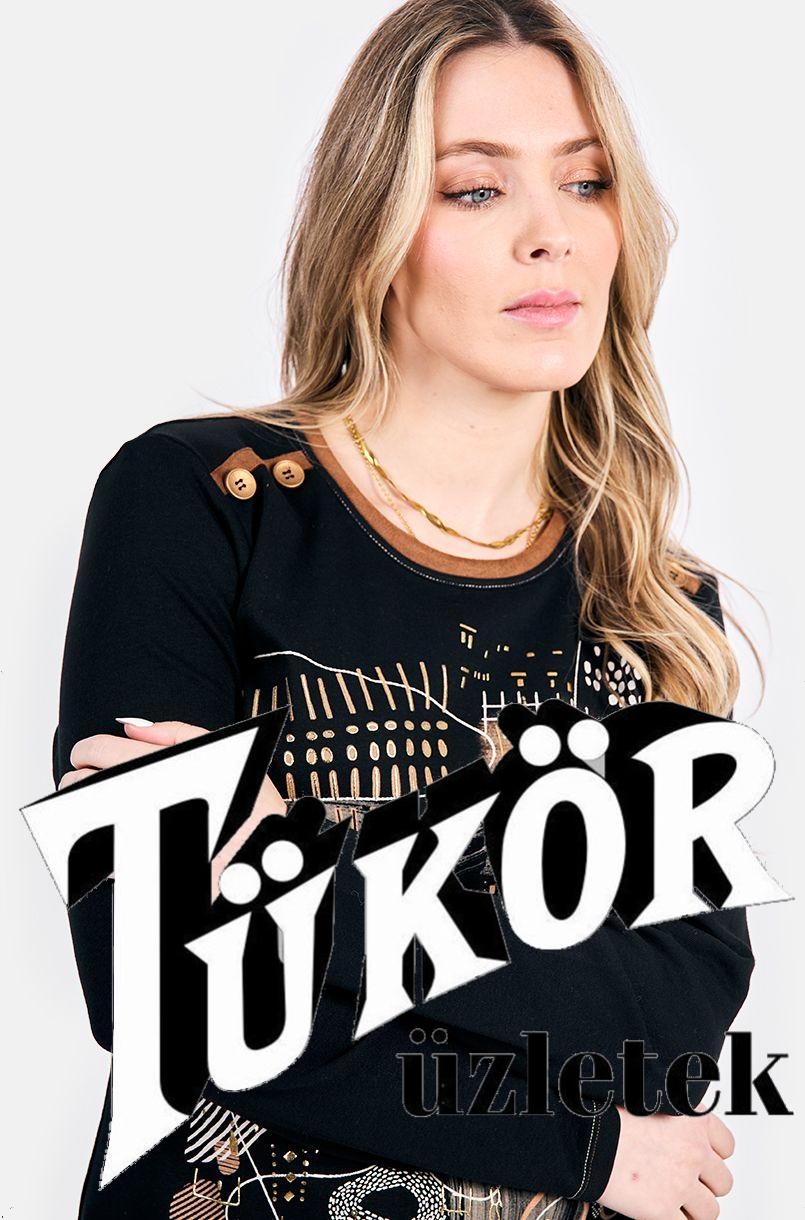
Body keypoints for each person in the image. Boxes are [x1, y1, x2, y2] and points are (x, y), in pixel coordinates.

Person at [53, 1, 762, 1217]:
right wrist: (588, 1145)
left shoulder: (653, 599)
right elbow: (164, 997)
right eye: (475, 190)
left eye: (585, 182)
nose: (550, 235)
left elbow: (669, 1021)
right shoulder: (199, 502)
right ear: (371, 228)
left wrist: (295, 872)